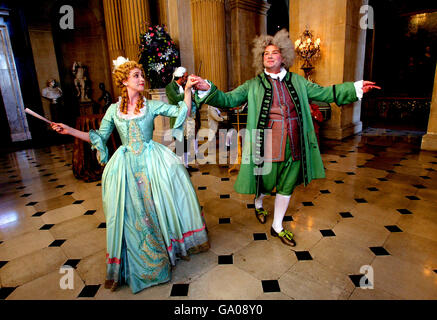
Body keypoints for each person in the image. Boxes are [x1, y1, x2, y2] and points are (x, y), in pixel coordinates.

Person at [192, 29, 380, 247]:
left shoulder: (299, 82)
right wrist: (208, 88)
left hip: (295, 142)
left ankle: (277, 226)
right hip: (267, 144)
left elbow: (325, 93)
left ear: (284, 57)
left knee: (287, 184)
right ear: (260, 58)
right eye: (265, 53)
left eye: (274, 52)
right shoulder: (252, 85)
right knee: (265, 181)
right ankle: (259, 201)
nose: (269, 56)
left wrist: (356, 87)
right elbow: (228, 98)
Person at [51, 56, 209, 294]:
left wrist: (187, 90)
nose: (142, 79)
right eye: (136, 76)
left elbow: (181, 112)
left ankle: (163, 253)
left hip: (151, 162)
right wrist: (69, 130)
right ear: (124, 81)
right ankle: (138, 263)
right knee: (131, 215)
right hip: (125, 166)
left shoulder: (152, 105)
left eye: (142, 75)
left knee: (156, 207)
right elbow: (98, 137)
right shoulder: (113, 110)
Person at [166, 66, 199, 172]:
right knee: (179, 145)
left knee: (186, 144)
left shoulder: (185, 86)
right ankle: (180, 169)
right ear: (180, 77)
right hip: (177, 120)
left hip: (187, 120)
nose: (186, 78)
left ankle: (186, 166)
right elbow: (175, 99)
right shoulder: (170, 87)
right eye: (185, 77)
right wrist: (187, 91)